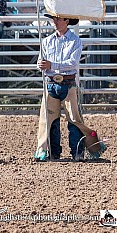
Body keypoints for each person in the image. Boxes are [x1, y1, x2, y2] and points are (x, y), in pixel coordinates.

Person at [33, 14, 102, 162]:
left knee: (73, 120)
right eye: (54, 19)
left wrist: (51, 65)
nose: (55, 22)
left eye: (58, 19)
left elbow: (72, 63)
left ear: (67, 21)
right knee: (49, 120)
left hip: (68, 84)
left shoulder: (75, 41)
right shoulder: (46, 41)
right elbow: (40, 61)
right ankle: (50, 152)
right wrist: (41, 65)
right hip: (51, 83)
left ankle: (77, 153)